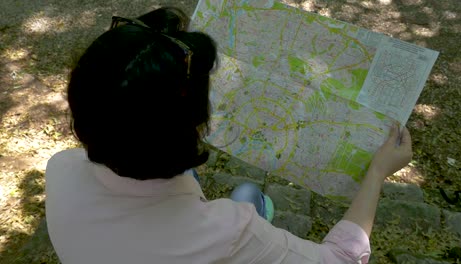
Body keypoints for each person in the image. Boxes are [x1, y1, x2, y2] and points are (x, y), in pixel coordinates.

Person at [45, 7, 413, 264]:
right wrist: (377, 172)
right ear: (192, 125)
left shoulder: (60, 169)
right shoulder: (229, 232)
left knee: (242, 196)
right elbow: (339, 259)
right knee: (248, 196)